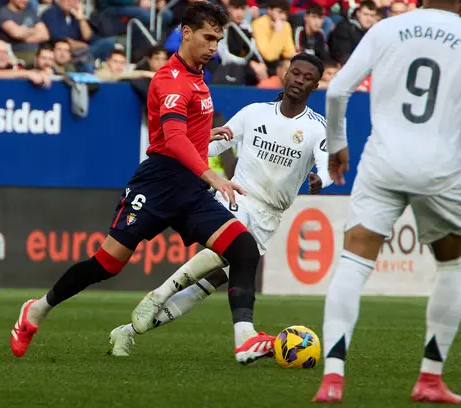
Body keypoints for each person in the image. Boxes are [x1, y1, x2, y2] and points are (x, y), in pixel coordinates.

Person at [9, 1, 272, 365]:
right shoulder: (171, 79)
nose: (213, 46)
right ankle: (36, 309)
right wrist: (212, 174)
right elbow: (173, 139)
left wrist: (205, 136)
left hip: (191, 193)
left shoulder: (197, 76)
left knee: (244, 249)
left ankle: (245, 339)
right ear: (186, 33)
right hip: (157, 186)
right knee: (106, 264)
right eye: (208, 38)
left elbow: (181, 133)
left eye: (218, 39)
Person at [313, 0, 461, 403]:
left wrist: (336, 145)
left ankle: (332, 378)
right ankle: (429, 379)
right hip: (440, 171)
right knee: (451, 266)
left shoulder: (386, 28)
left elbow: (337, 90)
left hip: (382, 164)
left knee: (353, 264)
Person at [108, 54, 334, 357]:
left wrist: (322, 180)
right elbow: (215, 144)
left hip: (270, 215)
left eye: (307, 78)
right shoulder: (254, 112)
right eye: (296, 73)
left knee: (208, 284)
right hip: (238, 198)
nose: (299, 80)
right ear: (285, 74)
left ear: (316, 86)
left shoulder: (318, 128)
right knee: (224, 252)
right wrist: (179, 152)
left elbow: (328, 166)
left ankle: (127, 332)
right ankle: (163, 296)